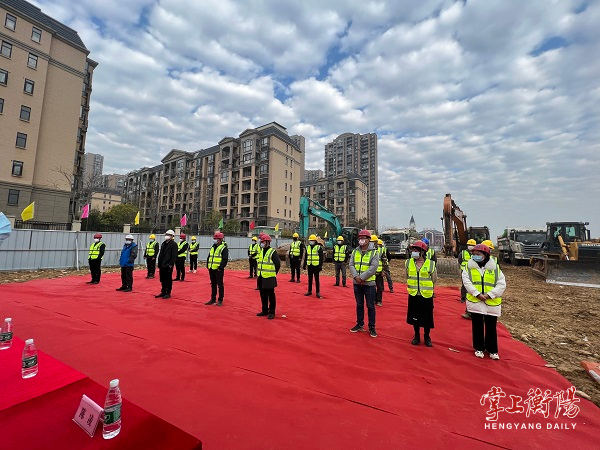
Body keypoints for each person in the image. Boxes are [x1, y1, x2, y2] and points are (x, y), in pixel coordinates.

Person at [462, 244, 506, 360]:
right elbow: (466, 282)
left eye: (478, 254)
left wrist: (490, 295)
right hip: (476, 301)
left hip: (491, 302)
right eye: (474, 254)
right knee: (477, 326)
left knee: (491, 326)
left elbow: (501, 284)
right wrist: (477, 294)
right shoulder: (469, 267)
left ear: (485, 255)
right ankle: (479, 348)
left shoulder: (495, 268)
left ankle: (492, 350)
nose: (475, 256)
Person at [349, 229, 379, 338]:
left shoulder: (374, 252)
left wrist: (361, 278)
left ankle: (372, 327)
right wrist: (356, 277)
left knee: (370, 306)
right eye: (360, 238)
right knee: (359, 305)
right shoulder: (355, 251)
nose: (361, 240)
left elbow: (373, 268)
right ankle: (359, 324)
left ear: (368, 240)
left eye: (363, 238)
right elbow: (351, 265)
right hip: (357, 283)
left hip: (369, 284)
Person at [406, 240, 437, 347]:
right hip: (414, 294)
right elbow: (407, 275)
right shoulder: (408, 262)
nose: (413, 252)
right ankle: (417, 336)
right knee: (415, 316)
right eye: (413, 250)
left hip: (426, 295)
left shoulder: (431, 264)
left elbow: (434, 279)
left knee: (427, 317)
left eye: (416, 250)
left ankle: (427, 336)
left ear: (422, 252)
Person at [256, 234, 281, 319]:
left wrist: (273, 273)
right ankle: (264, 310)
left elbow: (277, 264)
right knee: (262, 294)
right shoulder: (261, 251)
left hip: (269, 277)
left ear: (267, 242)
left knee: (271, 295)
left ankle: (272, 312)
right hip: (261, 276)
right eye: (261, 242)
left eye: (263, 242)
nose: (262, 243)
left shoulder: (272, 252)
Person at [205, 232, 228, 306]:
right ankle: (213, 299)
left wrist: (220, 267)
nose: (214, 240)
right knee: (213, 284)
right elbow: (209, 256)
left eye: (216, 238)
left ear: (220, 239)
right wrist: (208, 265)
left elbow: (225, 259)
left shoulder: (223, 248)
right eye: (214, 238)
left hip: (218, 269)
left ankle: (220, 300)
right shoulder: (213, 247)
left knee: (220, 285)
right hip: (211, 268)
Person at [155, 229, 178, 299]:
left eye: (168, 235)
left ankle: (168, 292)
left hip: (168, 265)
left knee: (168, 279)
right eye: (166, 234)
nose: (167, 236)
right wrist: (159, 263)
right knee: (162, 279)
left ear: (172, 236)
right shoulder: (163, 243)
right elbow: (161, 254)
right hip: (162, 264)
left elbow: (174, 256)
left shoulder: (174, 244)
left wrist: (170, 264)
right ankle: (163, 291)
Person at [459, 239, 476, 304]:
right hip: (464, 271)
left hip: (473, 271)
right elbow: (460, 260)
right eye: (470, 245)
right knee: (464, 284)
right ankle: (463, 297)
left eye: (472, 245)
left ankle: (472, 296)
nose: (471, 246)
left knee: (473, 284)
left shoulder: (476, 253)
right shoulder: (463, 253)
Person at [371, 234, 385, 307]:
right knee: (372, 287)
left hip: (379, 272)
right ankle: (373, 299)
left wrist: (384, 271)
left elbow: (384, 261)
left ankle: (379, 300)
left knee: (379, 288)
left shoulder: (381, 250)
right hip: (371, 273)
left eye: (373, 242)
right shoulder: (368, 250)